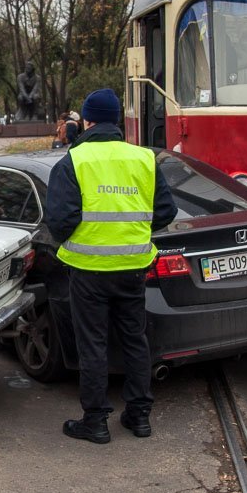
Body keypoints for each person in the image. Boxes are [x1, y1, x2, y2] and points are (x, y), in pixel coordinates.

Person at [45, 88, 178, 444]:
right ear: (116, 120)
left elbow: (58, 222)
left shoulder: (73, 161)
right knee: (135, 340)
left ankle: (96, 421)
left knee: (93, 344)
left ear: (87, 121)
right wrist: (132, 232)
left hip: (88, 270)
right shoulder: (144, 158)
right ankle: (139, 416)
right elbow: (166, 211)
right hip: (133, 267)